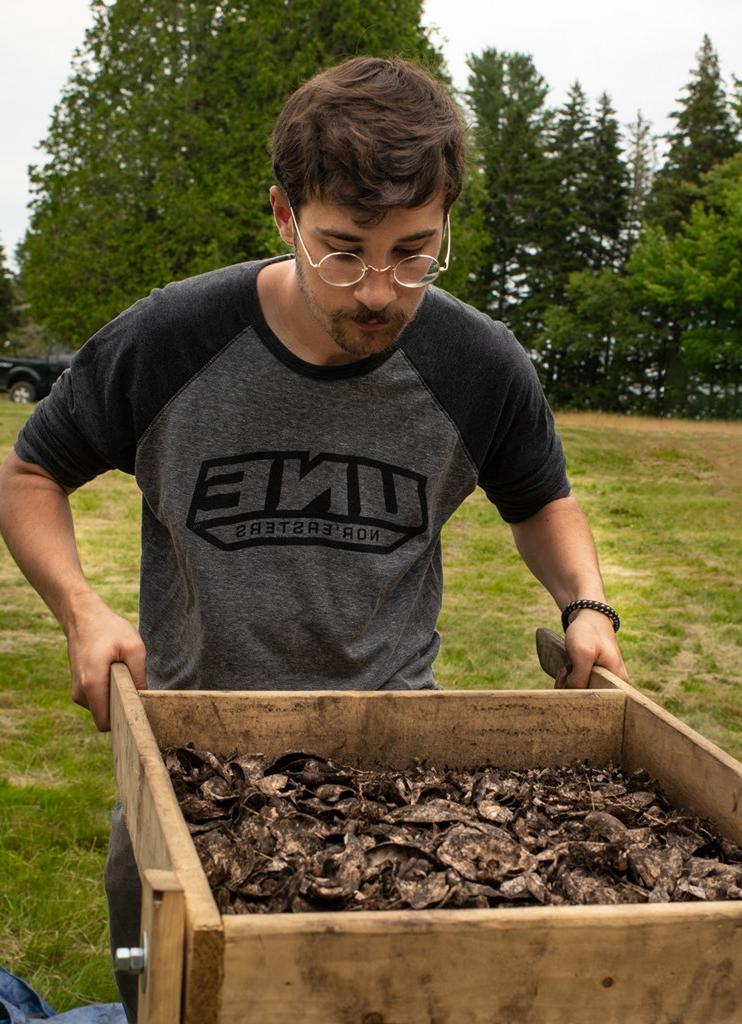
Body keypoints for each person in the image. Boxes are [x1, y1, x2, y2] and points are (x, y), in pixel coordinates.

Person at [0, 56, 626, 1020]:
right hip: (186, 768)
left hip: (394, 784)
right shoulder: (173, 335)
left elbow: (542, 499)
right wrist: (82, 612)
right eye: (343, 250)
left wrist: (582, 602)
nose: (378, 289)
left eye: (415, 252)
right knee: (169, 1001)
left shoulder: (478, 363)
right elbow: (31, 472)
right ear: (285, 216)